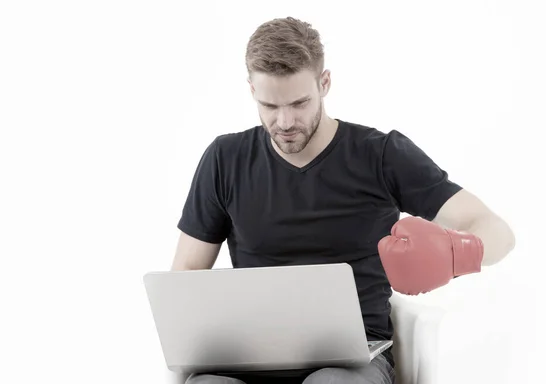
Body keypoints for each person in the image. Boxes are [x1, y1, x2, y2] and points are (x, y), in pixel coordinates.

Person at [171, 16, 516, 384]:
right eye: (270, 106)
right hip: (252, 359)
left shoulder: (380, 155)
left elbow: (499, 233)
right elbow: (185, 278)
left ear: (325, 83)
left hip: (352, 361)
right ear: (251, 90)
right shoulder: (225, 159)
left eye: (299, 102)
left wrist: (451, 255)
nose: (285, 121)